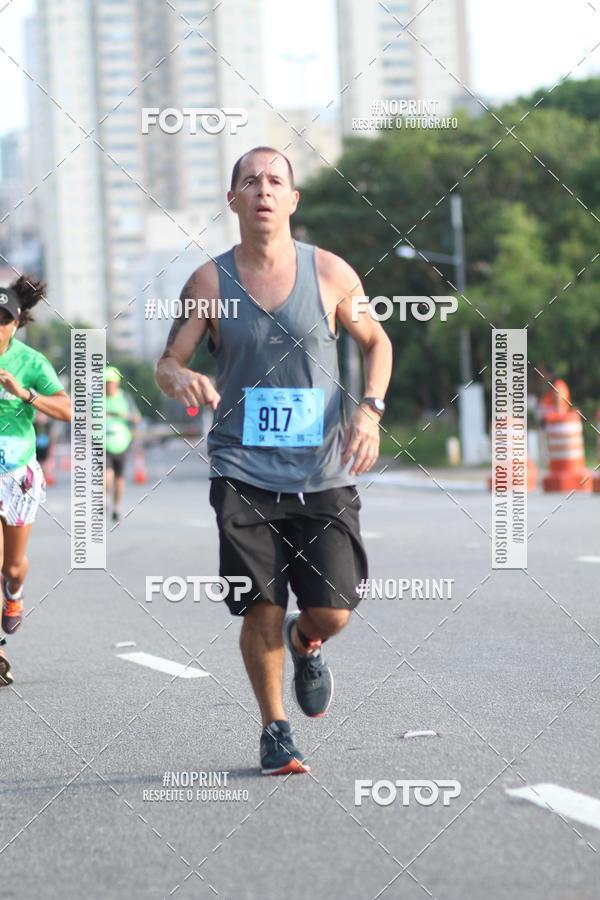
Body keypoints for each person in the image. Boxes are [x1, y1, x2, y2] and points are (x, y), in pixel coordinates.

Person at [156, 147, 392, 775]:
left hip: (321, 470)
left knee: (333, 610)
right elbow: (169, 359)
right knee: (260, 602)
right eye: (250, 181)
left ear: (292, 200)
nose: (263, 190)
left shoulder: (332, 274)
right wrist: (178, 376)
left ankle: (304, 639)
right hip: (241, 472)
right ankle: (275, 729)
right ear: (232, 200)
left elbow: (378, 342)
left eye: (275, 181)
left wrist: (369, 410)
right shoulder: (210, 282)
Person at [0, 276, 71, 685]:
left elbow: (67, 410)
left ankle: (13, 593)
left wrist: (24, 393)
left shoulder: (31, 363)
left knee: (12, 566)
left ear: (17, 322)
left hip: (17, 475)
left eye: (3, 319)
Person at [104, 366, 141, 523]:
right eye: (106, 382)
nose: (109, 385)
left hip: (122, 442)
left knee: (119, 478)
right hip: (102, 442)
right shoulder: (96, 399)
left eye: (111, 382)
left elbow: (136, 418)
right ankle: (104, 499)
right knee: (106, 473)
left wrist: (126, 416)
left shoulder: (125, 398)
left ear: (117, 383)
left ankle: (116, 507)